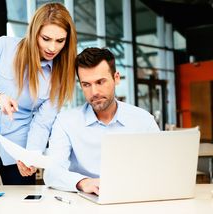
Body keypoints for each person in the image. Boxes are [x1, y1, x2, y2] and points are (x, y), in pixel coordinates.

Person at [0, 3, 77, 185]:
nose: (52, 48)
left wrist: (31, 155)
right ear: (34, 33)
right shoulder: (3, 47)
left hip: (18, 154)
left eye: (60, 41)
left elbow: (42, 123)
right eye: (46, 38)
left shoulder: (58, 77)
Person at [43, 47, 160, 194]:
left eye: (100, 82)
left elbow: (160, 167)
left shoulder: (143, 121)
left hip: (133, 198)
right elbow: (51, 173)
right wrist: (82, 183)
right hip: (83, 201)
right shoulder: (65, 122)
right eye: (86, 84)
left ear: (116, 78)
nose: (94, 92)